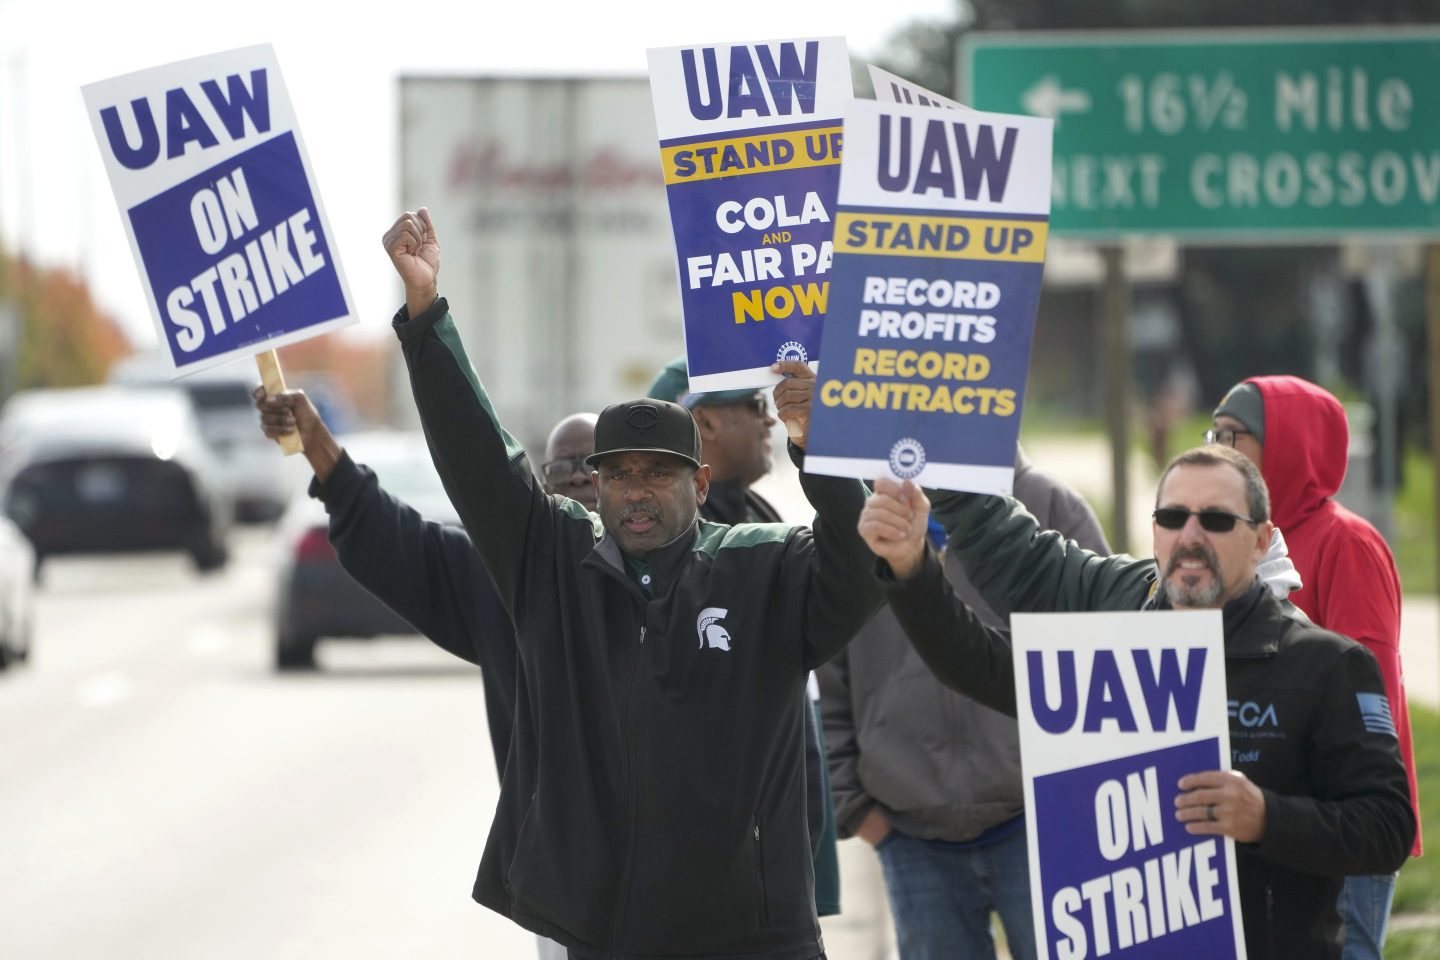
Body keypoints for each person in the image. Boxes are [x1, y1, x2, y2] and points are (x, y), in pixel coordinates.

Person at [383, 207, 880, 958]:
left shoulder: (763, 567)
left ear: (701, 479)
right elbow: (483, 462)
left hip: (755, 936)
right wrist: (426, 316)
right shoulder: (555, 566)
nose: (635, 492)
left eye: (657, 474)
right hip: (606, 934)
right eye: (617, 476)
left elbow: (860, 569)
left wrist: (822, 447)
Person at [860, 445, 1415, 960]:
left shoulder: (1326, 665)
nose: (1190, 536)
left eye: (1217, 520)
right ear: (1154, 532)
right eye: (1173, 518)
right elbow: (977, 666)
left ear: (1262, 539)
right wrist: (911, 574)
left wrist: (1266, 817)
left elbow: (1388, 828)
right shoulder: (1113, 647)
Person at [253, 388, 596, 960]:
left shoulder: (681, 575)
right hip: (568, 888)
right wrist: (316, 445)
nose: (582, 477)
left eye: (595, 463)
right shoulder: (503, 585)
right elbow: (392, 536)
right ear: (542, 487)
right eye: (564, 467)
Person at [818, 447, 1109, 960]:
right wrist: (857, 807)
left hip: (1041, 821)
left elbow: (1103, 653)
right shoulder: (862, 512)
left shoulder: (1048, 502)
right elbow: (826, 668)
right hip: (910, 833)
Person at [1211, 375, 1421, 959]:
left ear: (1289, 446)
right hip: (1271, 818)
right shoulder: (1236, 539)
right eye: (1213, 432)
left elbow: (1362, 687)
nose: (1218, 448)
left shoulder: (1346, 543)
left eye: (1235, 436)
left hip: (1338, 822)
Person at [647, 356, 842, 918]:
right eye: (756, 406)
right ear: (704, 424)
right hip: (724, 889)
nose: (768, 422)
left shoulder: (755, 513)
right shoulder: (666, 547)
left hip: (777, 869)